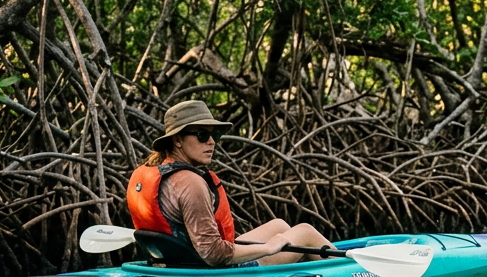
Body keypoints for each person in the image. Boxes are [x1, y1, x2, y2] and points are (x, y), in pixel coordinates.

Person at [127, 100, 333, 266]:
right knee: (305, 232)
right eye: (202, 135)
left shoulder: (155, 174)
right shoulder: (190, 183)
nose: (212, 141)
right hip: (216, 271)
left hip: (183, 263)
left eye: (214, 134)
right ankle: (355, 276)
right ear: (177, 140)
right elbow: (214, 253)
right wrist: (268, 248)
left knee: (279, 225)